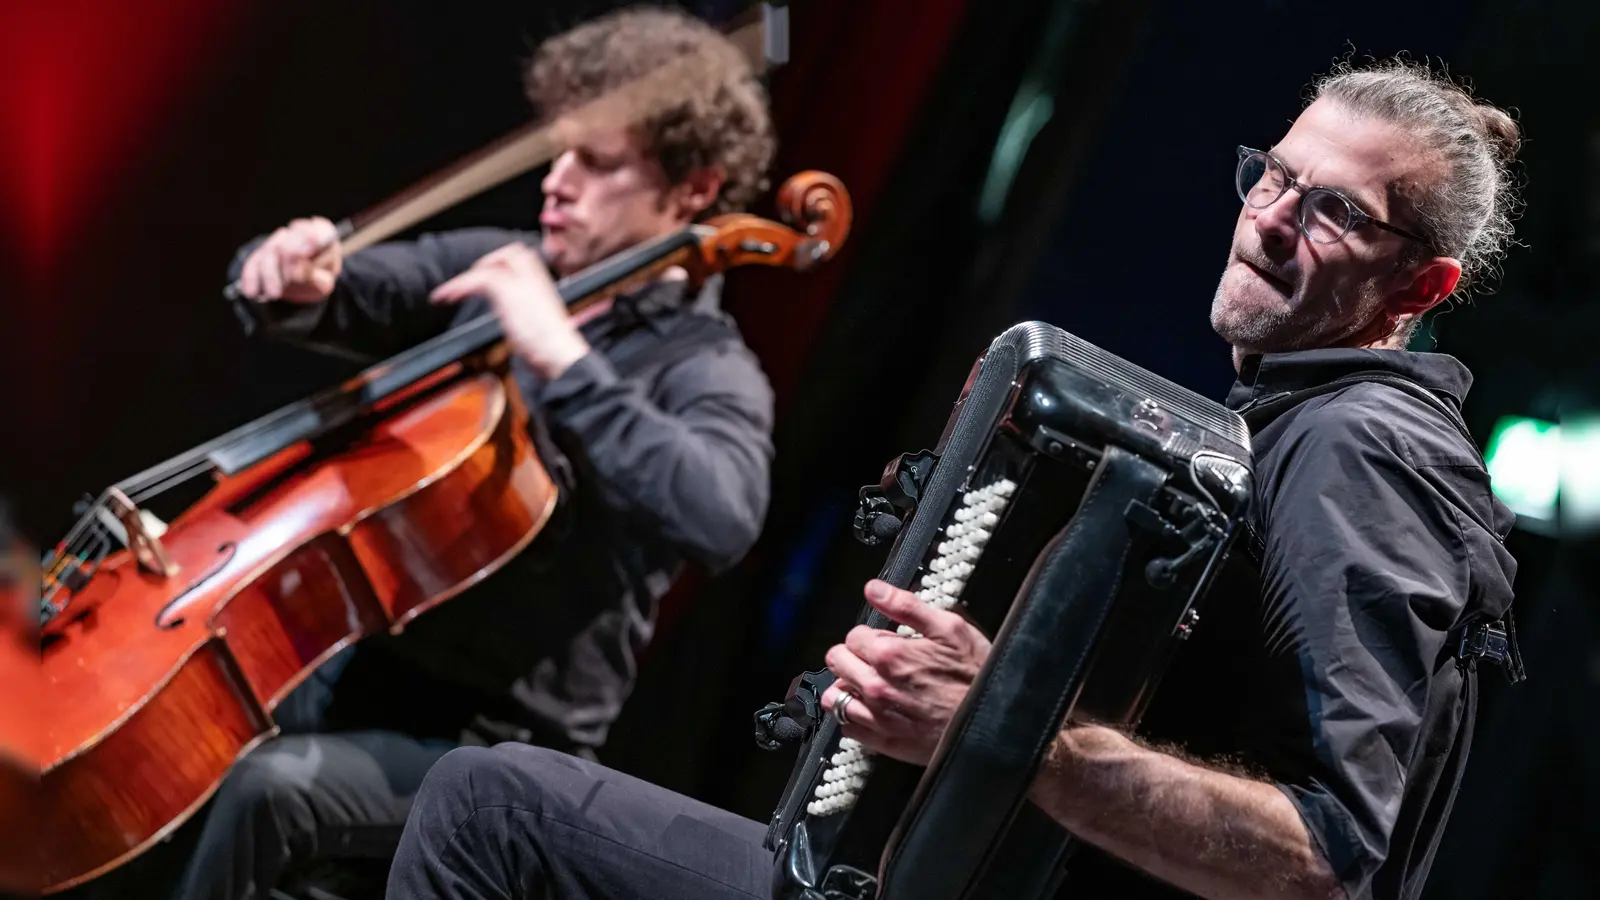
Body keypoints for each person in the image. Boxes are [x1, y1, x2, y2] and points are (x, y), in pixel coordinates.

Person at [384, 55, 1524, 900]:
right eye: (1272, 178)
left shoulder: (1362, 448)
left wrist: (999, 727)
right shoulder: (1288, 422)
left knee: (492, 809)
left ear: (1418, 290)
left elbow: (1328, 856)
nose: (1267, 222)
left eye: (1330, 211)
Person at [153, 7, 780, 900]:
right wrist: (289, 268)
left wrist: (559, 353)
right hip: (361, 682)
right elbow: (341, 289)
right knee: (200, 750)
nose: (556, 182)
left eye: (597, 163)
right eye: (558, 152)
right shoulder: (503, 266)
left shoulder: (706, 370)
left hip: (496, 754)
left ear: (691, 190)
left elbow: (722, 515)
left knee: (274, 791)